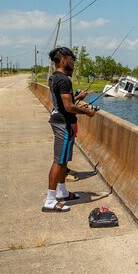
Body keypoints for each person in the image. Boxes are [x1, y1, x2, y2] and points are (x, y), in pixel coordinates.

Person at [42, 46, 95, 212]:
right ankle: (50, 200)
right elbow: (69, 107)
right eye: (72, 59)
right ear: (64, 58)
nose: (73, 62)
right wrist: (87, 111)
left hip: (60, 120)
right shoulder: (64, 80)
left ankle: (62, 191)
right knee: (59, 160)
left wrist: (78, 97)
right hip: (63, 124)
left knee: (64, 159)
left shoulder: (54, 78)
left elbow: (63, 101)